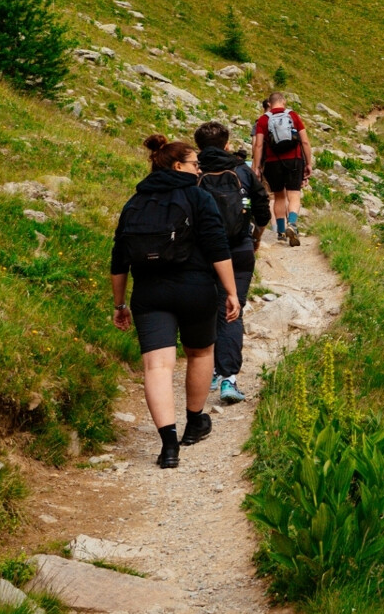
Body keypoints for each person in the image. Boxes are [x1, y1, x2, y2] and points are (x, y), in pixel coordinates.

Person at [110, 135, 242, 468]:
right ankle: (194, 422)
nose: (200, 168)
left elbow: (118, 259)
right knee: (200, 353)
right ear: (178, 166)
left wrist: (119, 304)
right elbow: (217, 248)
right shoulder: (198, 197)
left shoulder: (135, 202)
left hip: (149, 293)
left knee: (156, 366)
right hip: (196, 289)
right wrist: (231, 292)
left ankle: (169, 446)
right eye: (196, 163)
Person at [194, 120, 270, 404]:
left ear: (199, 146)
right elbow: (262, 209)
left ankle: (211, 370)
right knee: (233, 307)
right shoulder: (242, 170)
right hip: (239, 250)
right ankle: (229, 379)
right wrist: (256, 237)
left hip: (204, 253)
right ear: (227, 144)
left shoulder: (194, 171)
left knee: (209, 308)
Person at [251, 91, 312, 246]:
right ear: (283, 101)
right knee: (294, 195)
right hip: (294, 160)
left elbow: (258, 145)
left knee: (279, 196)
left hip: (273, 162)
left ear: (269, 104)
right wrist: (308, 163)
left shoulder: (263, 120)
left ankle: (280, 231)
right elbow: (305, 141)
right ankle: (292, 224)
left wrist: (257, 167)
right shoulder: (293, 115)